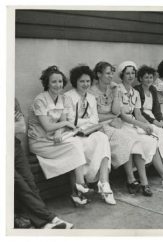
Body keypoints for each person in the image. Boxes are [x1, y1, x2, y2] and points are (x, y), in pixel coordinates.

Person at [90, 61, 163, 193]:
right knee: (134, 141)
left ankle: (151, 179)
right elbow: (117, 115)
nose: (131, 76)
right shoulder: (105, 90)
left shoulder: (126, 91)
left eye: (133, 73)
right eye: (127, 73)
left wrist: (147, 125)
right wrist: (139, 123)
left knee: (149, 140)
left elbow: (121, 112)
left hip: (122, 122)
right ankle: (138, 180)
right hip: (114, 124)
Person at [28, 65, 91, 207]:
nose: (58, 85)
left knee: (76, 144)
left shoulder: (62, 98)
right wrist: (65, 124)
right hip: (40, 141)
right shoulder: (40, 100)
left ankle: (78, 191)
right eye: (54, 82)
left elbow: (61, 122)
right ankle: (80, 185)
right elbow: (47, 126)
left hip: (54, 138)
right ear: (47, 84)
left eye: (60, 81)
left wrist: (59, 130)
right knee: (75, 146)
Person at [15, 98, 73, 229]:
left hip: (14, 147)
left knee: (29, 181)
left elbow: (21, 127)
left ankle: (43, 221)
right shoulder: (40, 100)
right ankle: (49, 219)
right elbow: (16, 126)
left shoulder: (11, 99)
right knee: (19, 183)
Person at [64, 65, 115, 205]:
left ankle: (104, 183)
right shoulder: (68, 97)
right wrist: (87, 121)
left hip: (88, 132)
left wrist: (85, 122)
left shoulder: (91, 98)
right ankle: (81, 189)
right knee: (78, 147)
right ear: (75, 82)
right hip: (73, 135)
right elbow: (70, 120)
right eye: (82, 81)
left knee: (103, 138)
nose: (85, 84)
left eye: (87, 81)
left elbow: (96, 119)